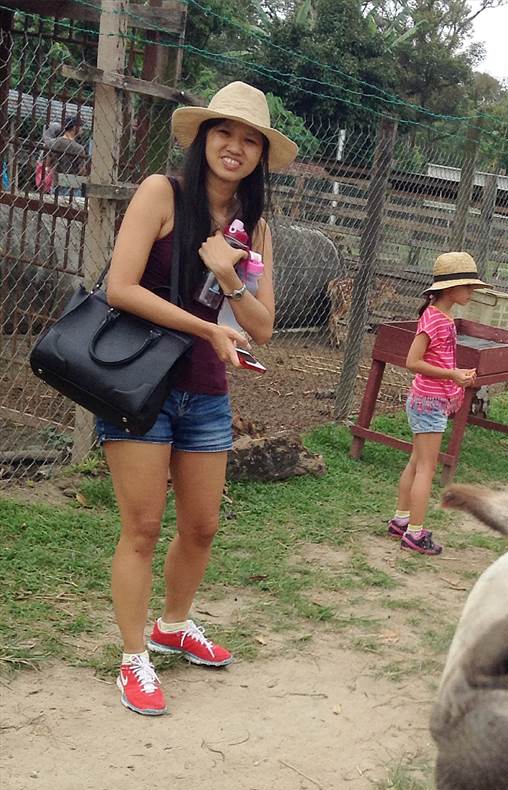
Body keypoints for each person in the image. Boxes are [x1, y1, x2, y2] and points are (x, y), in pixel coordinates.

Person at [101, 82, 298, 716]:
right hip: (141, 385)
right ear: (203, 137)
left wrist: (228, 275)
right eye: (225, 133)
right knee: (142, 528)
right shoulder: (163, 194)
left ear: (261, 154)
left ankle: (173, 625)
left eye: (249, 140)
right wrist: (208, 326)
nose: (235, 147)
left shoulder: (255, 227)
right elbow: (119, 288)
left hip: (206, 395)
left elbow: (263, 327)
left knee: (202, 527)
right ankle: (135, 656)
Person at [388, 251, 487, 555]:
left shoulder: (439, 316)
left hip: (426, 399)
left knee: (417, 462)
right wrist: (452, 374)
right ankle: (415, 534)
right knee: (427, 469)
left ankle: (401, 521)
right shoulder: (437, 321)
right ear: (450, 288)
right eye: (468, 286)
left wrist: (455, 376)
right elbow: (412, 361)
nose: (472, 292)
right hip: (429, 401)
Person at [41, 116, 88, 197]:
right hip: (73, 185)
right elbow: (81, 171)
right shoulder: (79, 149)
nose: (82, 130)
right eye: (80, 127)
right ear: (74, 128)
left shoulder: (55, 142)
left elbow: (48, 164)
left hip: (57, 183)